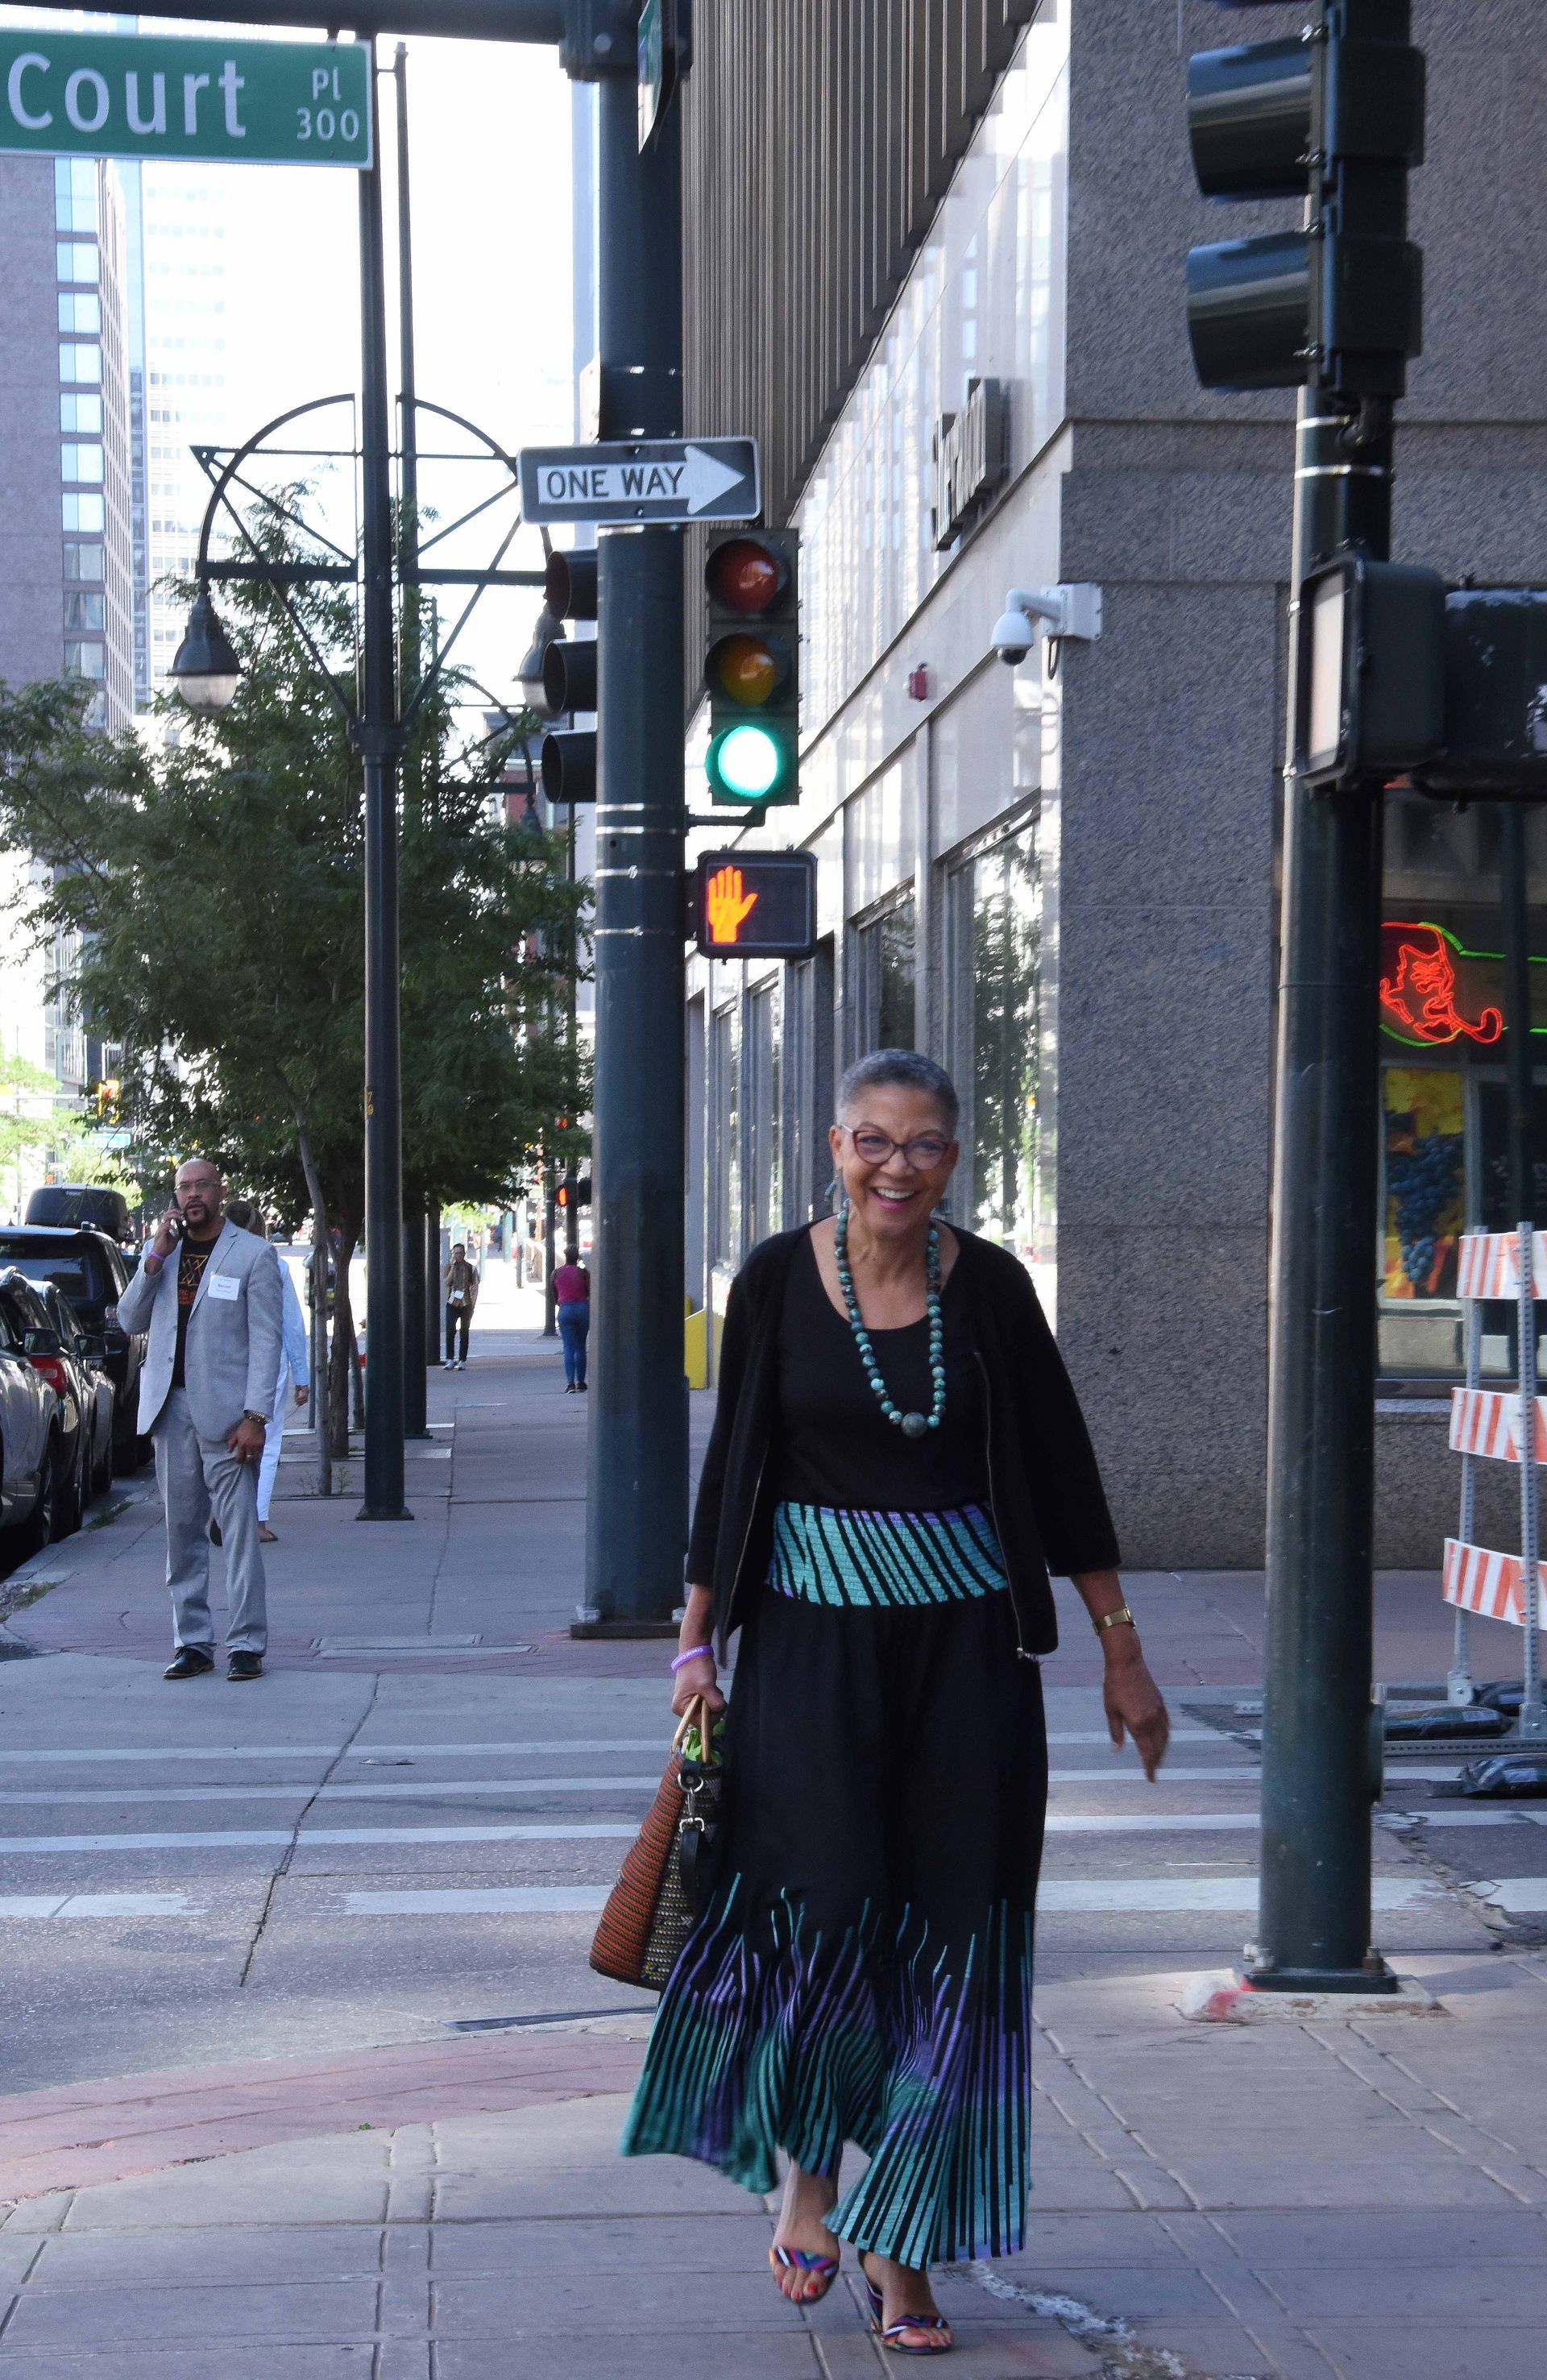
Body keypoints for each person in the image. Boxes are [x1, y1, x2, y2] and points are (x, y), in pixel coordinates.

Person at [622, 1051, 1170, 2357]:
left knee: (957, 1942)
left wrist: (1121, 1645)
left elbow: (1063, 1466)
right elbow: (734, 1466)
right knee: (826, 1920)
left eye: (924, 1144)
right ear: (835, 1142)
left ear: (957, 1156)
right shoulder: (771, 1279)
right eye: (874, 1139)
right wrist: (696, 1647)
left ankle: (908, 2244)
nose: (896, 1165)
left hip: (967, 1661)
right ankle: (814, 2174)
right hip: (810, 1657)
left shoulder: (991, 1289)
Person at [118, 1159, 284, 1685]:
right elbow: (129, 1320)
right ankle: (191, 1642)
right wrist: (152, 1260)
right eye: (184, 1187)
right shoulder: (162, 1254)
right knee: (181, 1532)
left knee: (237, 1534)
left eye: (202, 1186)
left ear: (219, 1191)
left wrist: (257, 1416)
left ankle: (246, 1644)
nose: (193, 1195)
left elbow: (266, 1340)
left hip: (231, 1416)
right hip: (172, 1408)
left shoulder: (253, 1254)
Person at [226, 1205, 310, 1545]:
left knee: (218, 1439)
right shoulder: (274, 1264)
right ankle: (256, 1520)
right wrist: (301, 1376)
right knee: (268, 1441)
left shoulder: (213, 1262)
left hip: (223, 1364)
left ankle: (225, 1514)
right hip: (267, 1365)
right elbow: (291, 1323)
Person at [553, 1254, 591, 1392]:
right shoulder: (583, 1273)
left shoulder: (556, 1273)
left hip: (565, 1309)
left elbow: (554, 1294)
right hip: (581, 1309)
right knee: (581, 1346)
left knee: (568, 1347)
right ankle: (581, 1382)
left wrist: (561, 1302)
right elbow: (589, 1291)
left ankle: (570, 1384)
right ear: (577, 1258)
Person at [442, 1242, 479, 1369]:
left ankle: (462, 1360)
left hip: (466, 1303)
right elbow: (446, 1283)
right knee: (450, 1331)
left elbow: (475, 1287)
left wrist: (473, 1306)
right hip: (452, 1303)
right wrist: (453, 1268)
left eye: (460, 1253)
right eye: (455, 1253)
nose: (458, 1255)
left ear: (464, 1254)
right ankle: (450, 1359)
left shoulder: (471, 1268)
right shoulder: (449, 1267)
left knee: (464, 1332)